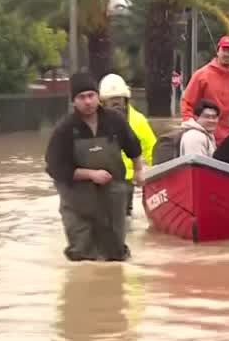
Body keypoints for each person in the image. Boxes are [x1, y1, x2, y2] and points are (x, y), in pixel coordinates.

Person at [45, 73, 144, 262]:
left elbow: (133, 146)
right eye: (81, 97)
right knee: (82, 253)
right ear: (73, 101)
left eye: (91, 95)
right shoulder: (64, 129)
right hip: (77, 199)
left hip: (112, 196)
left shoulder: (115, 120)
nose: (88, 101)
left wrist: (139, 170)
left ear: (98, 97)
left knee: (115, 253)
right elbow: (55, 168)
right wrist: (90, 174)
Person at [98, 73, 156, 217]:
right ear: (102, 102)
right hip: (101, 178)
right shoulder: (94, 120)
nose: (116, 104)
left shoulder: (138, 121)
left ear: (126, 100)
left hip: (127, 179)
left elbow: (151, 149)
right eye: (111, 101)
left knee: (123, 217)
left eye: (119, 100)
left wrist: (157, 173)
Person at [180, 35, 229, 144]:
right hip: (205, 137)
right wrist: (192, 127)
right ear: (218, 51)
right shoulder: (201, 75)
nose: (227, 54)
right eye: (224, 50)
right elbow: (187, 103)